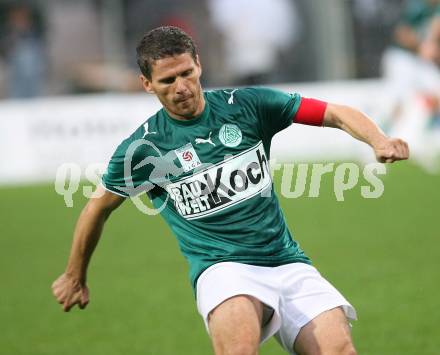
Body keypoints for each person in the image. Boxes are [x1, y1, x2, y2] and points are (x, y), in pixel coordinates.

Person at [52, 26, 409, 355]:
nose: (181, 87)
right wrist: (74, 275)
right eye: (167, 80)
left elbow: (333, 112)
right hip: (223, 269)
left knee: (340, 351)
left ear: (199, 66)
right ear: (147, 84)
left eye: (186, 73)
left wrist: (378, 140)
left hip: (286, 261)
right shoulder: (143, 149)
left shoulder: (247, 105)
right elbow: (96, 209)